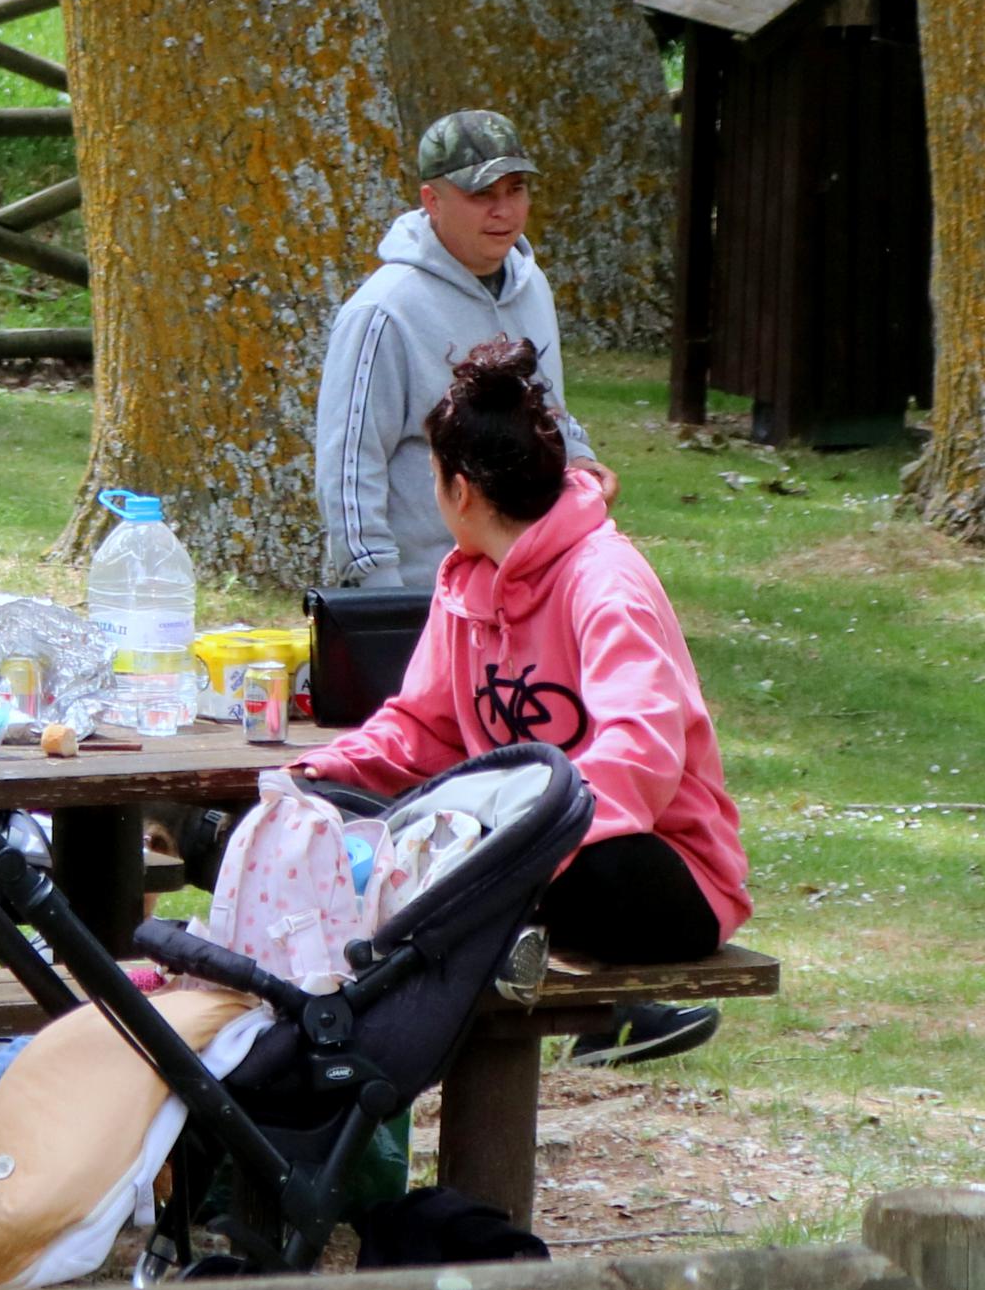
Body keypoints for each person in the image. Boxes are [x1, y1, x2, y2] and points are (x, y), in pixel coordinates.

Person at [295, 337, 746, 1065]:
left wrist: (509, 841)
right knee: (349, 825)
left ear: (459, 489)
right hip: (521, 863)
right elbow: (422, 726)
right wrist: (323, 774)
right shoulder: (465, 578)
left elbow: (640, 756)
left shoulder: (605, 582)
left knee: (468, 866)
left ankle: (546, 973)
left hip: (651, 871)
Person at [315, 109, 613, 592]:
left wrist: (579, 459)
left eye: (516, 189)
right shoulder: (383, 310)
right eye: (482, 195)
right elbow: (349, 469)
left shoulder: (532, 285)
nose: (504, 210)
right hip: (426, 594)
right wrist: (382, 596)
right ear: (432, 200)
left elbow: (549, 408)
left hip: (533, 587)